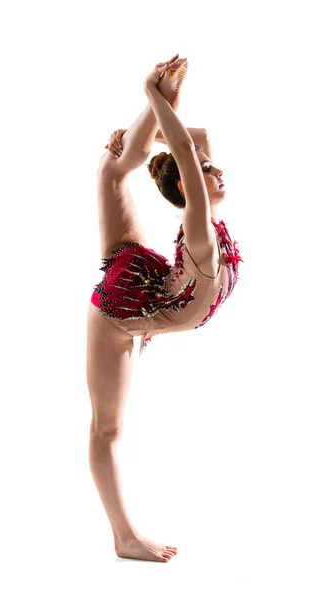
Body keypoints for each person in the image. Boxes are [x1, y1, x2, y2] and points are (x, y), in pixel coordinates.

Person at [86, 54, 243, 562]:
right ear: (188, 189)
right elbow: (183, 147)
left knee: (113, 168)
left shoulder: (207, 219)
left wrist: (153, 106)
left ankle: (133, 132)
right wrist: (153, 96)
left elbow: (191, 139)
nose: (216, 170)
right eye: (204, 172)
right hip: (119, 310)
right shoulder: (200, 227)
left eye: (211, 167)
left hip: (148, 284)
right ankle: (123, 538)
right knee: (107, 429)